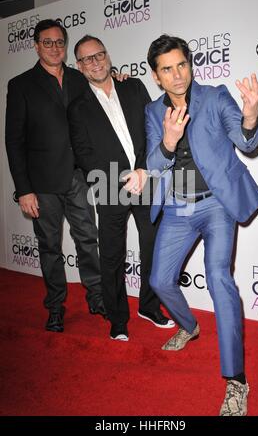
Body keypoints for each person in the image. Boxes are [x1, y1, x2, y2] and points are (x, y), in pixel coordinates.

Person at [145, 34, 258, 416]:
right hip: (178, 208)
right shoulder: (153, 112)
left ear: (190, 64)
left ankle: (236, 381)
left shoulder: (214, 97)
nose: (177, 74)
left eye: (181, 64)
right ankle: (189, 325)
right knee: (158, 281)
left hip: (217, 205)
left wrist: (250, 115)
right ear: (156, 76)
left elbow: (247, 141)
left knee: (218, 278)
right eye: (167, 69)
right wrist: (168, 142)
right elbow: (152, 164)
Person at [68, 35, 175, 341]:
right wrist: (119, 179)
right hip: (109, 184)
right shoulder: (78, 107)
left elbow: (151, 131)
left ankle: (149, 306)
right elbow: (83, 153)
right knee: (112, 255)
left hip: (145, 178)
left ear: (108, 56)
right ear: (80, 66)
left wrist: (143, 170)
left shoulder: (133, 86)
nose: (96, 62)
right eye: (87, 59)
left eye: (99, 55)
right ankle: (117, 318)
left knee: (153, 245)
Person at [5, 19, 106, 333]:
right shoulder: (20, 84)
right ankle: (55, 307)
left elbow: (106, 90)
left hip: (78, 177)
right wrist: (24, 189)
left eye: (59, 42)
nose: (54, 47)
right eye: (47, 42)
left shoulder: (79, 78)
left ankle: (98, 297)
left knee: (88, 240)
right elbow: (14, 140)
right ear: (36, 45)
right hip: (42, 184)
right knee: (49, 247)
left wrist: (121, 78)